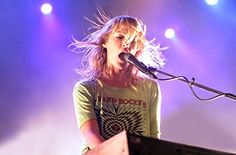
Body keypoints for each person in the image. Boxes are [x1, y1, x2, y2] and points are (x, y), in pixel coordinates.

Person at [70, 13, 165, 154]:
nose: (126, 45)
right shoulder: (86, 89)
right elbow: (92, 136)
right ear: (104, 41)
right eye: (120, 37)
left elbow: (153, 137)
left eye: (132, 41)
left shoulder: (150, 87)